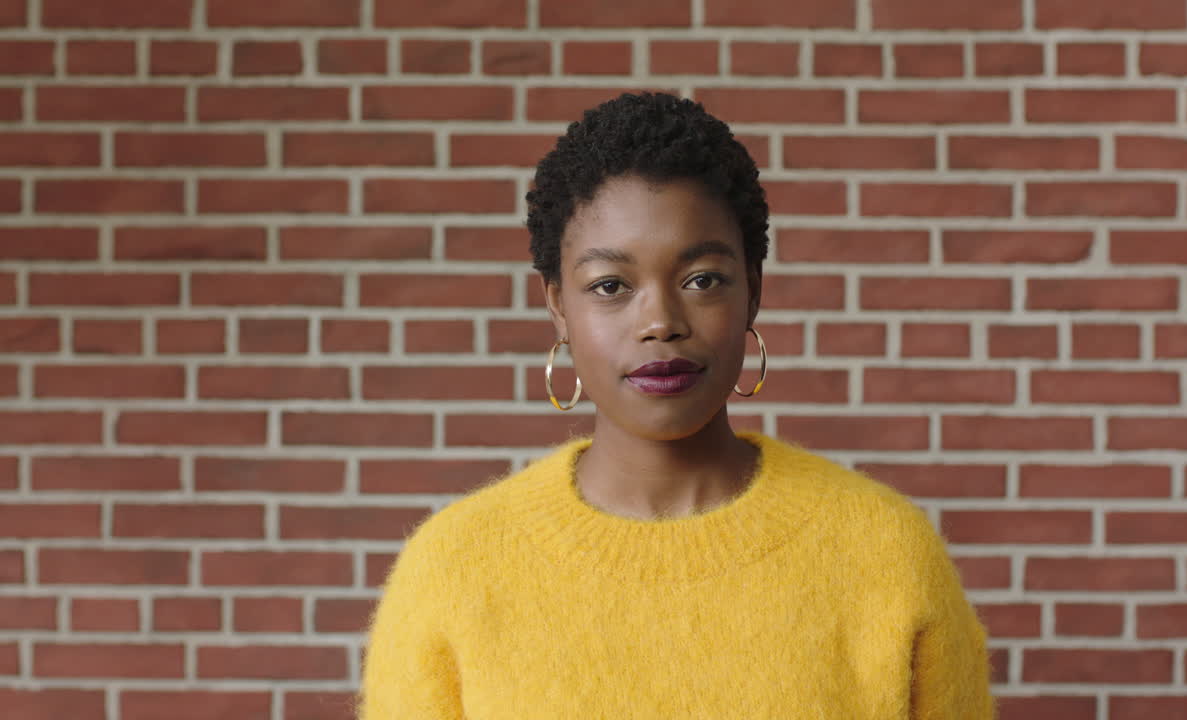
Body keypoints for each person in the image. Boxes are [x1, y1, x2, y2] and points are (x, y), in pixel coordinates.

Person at [356, 91, 994, 719]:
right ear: (557, 305)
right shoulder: (454, 568)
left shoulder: (885, 551)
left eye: (702, 280)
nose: (660, 321)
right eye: (610, 285)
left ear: (752, 291)